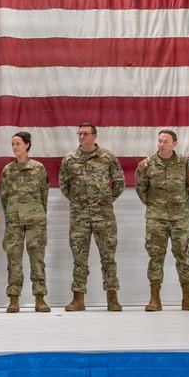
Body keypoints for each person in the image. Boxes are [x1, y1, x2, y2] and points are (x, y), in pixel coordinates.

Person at [134, 129, 189, 312]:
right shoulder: (147, 165)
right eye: (159, 141)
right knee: (155, 257)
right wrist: (154, 205)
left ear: (174, 143)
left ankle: (188, 298)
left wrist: (179, 204)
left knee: (183, 256)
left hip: (180, 218)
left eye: (165, 141)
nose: (161, 144)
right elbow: (141, 189)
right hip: (156, 218)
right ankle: (154, 299)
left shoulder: (186, 164)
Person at [58, 122, 125, 312]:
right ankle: (78, 299)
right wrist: (78, 201)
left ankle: (112, 298)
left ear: (95, 136)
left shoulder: (107, 157)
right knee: (79, 258)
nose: (81, 137)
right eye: (79, 134)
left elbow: (119, 181)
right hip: (80, 216)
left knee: (108, 257)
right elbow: (64, 184)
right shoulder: (70, 159)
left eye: (85, 134)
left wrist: (105, 199)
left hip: (104, 216)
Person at [0, 131, 51, 313]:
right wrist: (12, 213)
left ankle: (40, 298)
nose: (14, 148)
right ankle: (14, 299)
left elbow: (44, 193)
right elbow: (3, 196)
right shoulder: (7, 170)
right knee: (13, 259)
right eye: (12, 144)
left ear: (27, 145)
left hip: (35, 220)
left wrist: (39, 213)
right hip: (14, 220)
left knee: (37, 258)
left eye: (18, 144)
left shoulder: (38, 168)